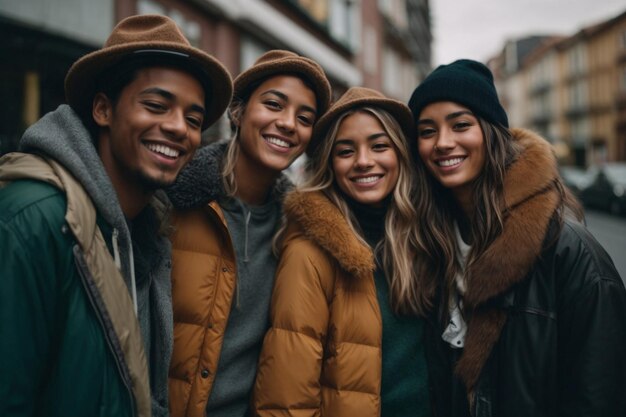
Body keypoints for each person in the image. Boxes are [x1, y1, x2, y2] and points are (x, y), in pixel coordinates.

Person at [0, 14, 233, 417]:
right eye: (157, 105)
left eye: (193, 120)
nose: (179, 128)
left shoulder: (148, 238)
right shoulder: (32, 218)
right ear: (103, 109)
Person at [407, 59, 626, 417]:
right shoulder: (429, 242)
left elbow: (600, 396)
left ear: (491, 133)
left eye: (460, 125)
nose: (443, 143)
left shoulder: (571, 251)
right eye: (427, 131)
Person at [165, 49, 332, 417]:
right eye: (274, 105)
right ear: (237, 112)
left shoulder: (299, 231)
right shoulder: (171, 199)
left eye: (305, 118)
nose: (289, 123)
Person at [252, 87, 432, 417]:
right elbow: (286, 400)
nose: (364, 162)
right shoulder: (309, 252)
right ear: (330, 165)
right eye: (345, 151)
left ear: (401, 155)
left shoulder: (425, 238)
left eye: (379, 146)